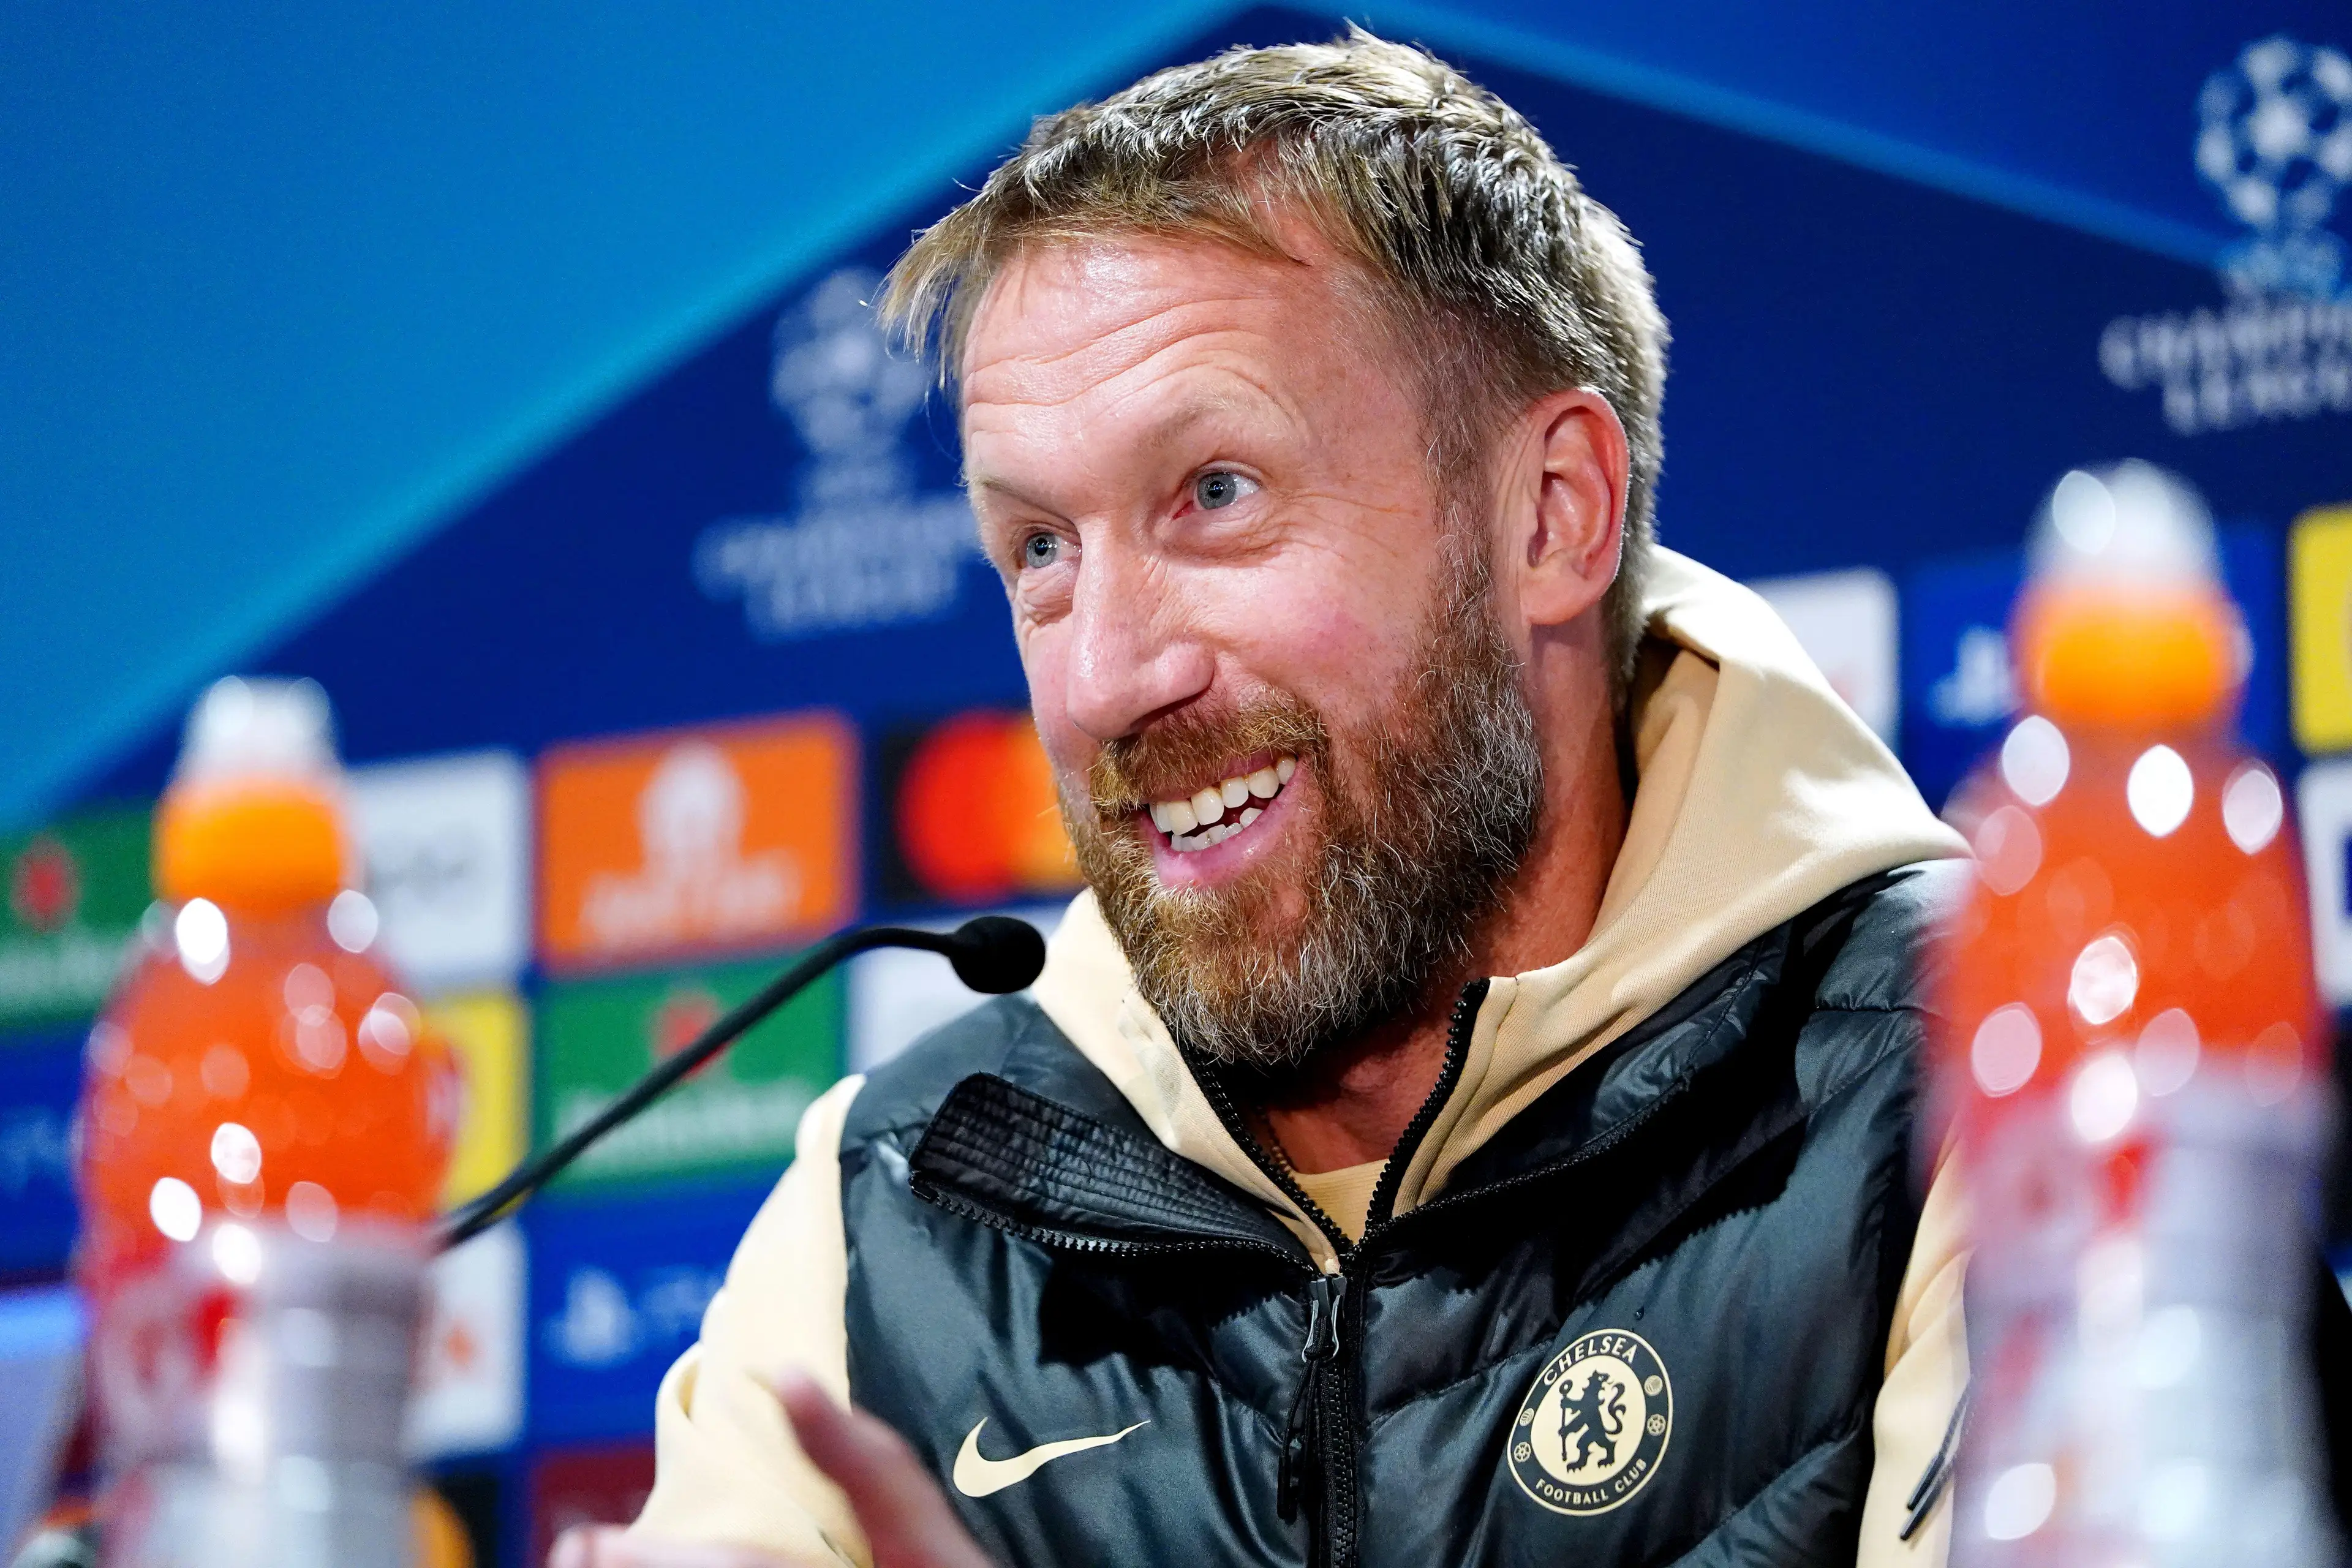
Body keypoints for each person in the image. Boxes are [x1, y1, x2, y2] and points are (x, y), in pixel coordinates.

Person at [554, 29, 1978, 1568]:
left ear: (1551, 516)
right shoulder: (889, 1214)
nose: (1104, 677)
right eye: (1039, 547)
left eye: (1215, 494)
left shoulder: (1979, 1075)